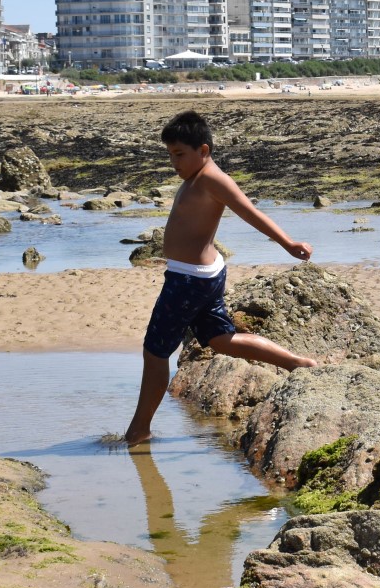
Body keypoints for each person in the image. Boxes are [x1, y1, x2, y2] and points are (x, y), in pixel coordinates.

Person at [121, 110, 317, 446]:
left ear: (204, 150)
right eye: (170, 155)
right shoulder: (196, 178)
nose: (174, 162)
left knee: (155, 353)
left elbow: (249, 212)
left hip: (189, 280)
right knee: (220, 339)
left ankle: (139, 431)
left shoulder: (213, 178)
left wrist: (288, 243)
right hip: (200, 274)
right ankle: (298, 363)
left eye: (180, 154)